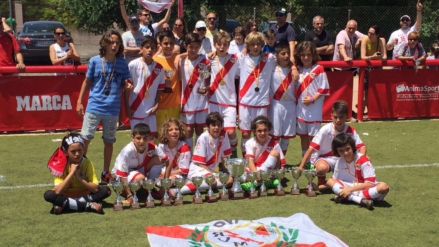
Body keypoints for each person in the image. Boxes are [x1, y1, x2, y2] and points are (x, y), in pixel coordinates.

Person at [76, 29, 133, 185]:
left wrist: (128, 86)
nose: (114, 45)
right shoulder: (95, 61)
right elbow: (86, 82)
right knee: (85, 139)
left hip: (112, 109)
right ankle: (79, 169)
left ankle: (105, 173)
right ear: (105, 43)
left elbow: (126, 82)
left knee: (109, 142)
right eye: (111, 42)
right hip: (94, 106)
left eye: (117, 42)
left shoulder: (121, 62)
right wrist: (79, 101)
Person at [297, 100, 366, 190]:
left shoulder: (350, 130)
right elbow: (311, 148)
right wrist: (301, 167)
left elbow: (362, 147)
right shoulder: (325, 129)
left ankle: (331, 184)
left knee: (366, 160)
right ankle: (322, 182)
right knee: (321, 168)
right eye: (335, 117)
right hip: (325, 159)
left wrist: (360, 160)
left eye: (341, 117)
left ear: (346, 117)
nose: (338, 120)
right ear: (331, 116)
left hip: (343, 158)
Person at [44, 132, 111, 214]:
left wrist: (78, 176)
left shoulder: (87, 163)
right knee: (48, 195)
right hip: (67, 194)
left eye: (80, 150)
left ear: (83, 148)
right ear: (65, 152)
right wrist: (72, 173)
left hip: (84, 193)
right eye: (73, 151)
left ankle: (66, 205)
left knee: (106, 191)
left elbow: (95, 188)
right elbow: (58, 191)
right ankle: (88, 206)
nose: (77, 154)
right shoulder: (61, 165)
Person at [237, 31, 277, 157]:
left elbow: (285, 61)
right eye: (252, 44)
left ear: (262, 45)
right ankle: (245, 160)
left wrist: (292, 68)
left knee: (261, 133)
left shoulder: (270, 58)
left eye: (258, 44)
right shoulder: (241, 57)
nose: (255, 47)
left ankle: (260, 159)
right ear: (247, 45)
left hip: (261, 104)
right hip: (245, 103)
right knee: (245, 134)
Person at [327, 133, 389, 210]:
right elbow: (334, 180)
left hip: (364, 189)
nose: (345, 153)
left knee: (384, 187)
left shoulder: (362, 159)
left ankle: (347, 197)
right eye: (341, 151)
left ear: (352, 147)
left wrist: (349, 190)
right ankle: (360, 200)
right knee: (329, 181)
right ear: (337, 152)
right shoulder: (340, 161)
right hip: (350, 187)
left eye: (347, 149)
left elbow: (370, 184)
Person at [111, 123, 169, 204]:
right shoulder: (127, 151)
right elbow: (122, 175)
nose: (142, 141)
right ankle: (130, 191)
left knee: (158, 159)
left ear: (150, 138)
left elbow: (168, 161)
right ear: (133, 138)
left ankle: (150, 188)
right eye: (138, 138)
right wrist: (129, 196)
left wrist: (164, 184)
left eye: (145, 138)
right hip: (121, 175)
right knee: (140, 178)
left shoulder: (152, 147)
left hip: (138, 169)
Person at [294, 41, 329, 169]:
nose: (306, 57)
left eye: (309, 54)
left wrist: (313, 99)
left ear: (313, 54)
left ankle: (314, 160)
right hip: (300, 110)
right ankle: (306, 160)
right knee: (303, 136)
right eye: (303, 55)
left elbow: (324, 89)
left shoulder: (319, 69)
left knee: (313, 138)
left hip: (314, 110)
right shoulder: (298, 69)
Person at [179, 112, 233, 194]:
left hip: (209, 171)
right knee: (212, 181)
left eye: (219, 125)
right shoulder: (203, 137)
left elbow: (225, 157)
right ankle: (179, 190)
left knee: (229, 180)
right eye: (213, 125)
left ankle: (195, 184)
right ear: (207, 127)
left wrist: (226, 173)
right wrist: (212, 173)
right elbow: (200, 163)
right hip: (198, 169)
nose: (217, 128)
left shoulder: (224, 135)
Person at [207, 31, 240, 158]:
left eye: (225, 44)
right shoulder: (209, 58)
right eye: (219, 44)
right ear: (215, 45)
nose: (221, 47)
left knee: (230, 131)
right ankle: (216, 157)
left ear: (228, 45)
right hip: (214, 102)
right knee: (215, 132)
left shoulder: (235, 59)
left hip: (229, 103)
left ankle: (233, 154)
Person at [125, 36, 165, 138]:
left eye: (152, 47)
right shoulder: (133, 65)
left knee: (150, 138)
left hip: (151, 109)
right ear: (141, 48)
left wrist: (157, 104)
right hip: (135, 108)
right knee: (137, 138)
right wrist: (127, 107)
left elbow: (160, 89)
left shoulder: (159, 68)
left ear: (156, 50)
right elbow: (126, 88)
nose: (150, 50)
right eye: (147, 47)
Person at [177, 33, 210, 151]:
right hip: (187, 101)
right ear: (186, 46)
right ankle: (188, 157)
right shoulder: (180, 62)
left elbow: (206, 77)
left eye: (196, 47)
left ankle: (199, 155)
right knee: (188, 130)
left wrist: (207, 86)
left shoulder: (204, 61)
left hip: (201, 100)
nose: (193, 50)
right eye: (191, 47)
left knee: (200, 129)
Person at [268, 43, 297, 155]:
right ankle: (274, 160)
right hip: (276, 104)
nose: (286, 56)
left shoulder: (295, 69)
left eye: (288, 54)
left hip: (290, 105)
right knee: (275, 136)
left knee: (286, 137)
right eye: (283, 53)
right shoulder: (271, 68)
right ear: (277, 55)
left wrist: (293, 67)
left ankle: (281, 161)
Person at [154, 30, 182, 127]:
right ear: (160, 44)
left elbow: (193, 54)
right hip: (159, 104)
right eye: (165, 43)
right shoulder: (155, 60)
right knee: (161, 135)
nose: (169, 46)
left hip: (175, 104)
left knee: (173, 133)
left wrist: (180, 55)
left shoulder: (178, 58)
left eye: (171, 43)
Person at [360, 25, 387, 115]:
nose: (369, 35)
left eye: (372, 33)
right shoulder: (365, 39)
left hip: (377, 69)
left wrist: (378, 57)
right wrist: (373, 57)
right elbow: (363, 57)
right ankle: (365, 109)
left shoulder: (381, 40)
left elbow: (385, 57)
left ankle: (371, 109)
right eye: (369, 32)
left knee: (378, 90)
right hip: (366, 68)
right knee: (366, 90)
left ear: (377, 34)